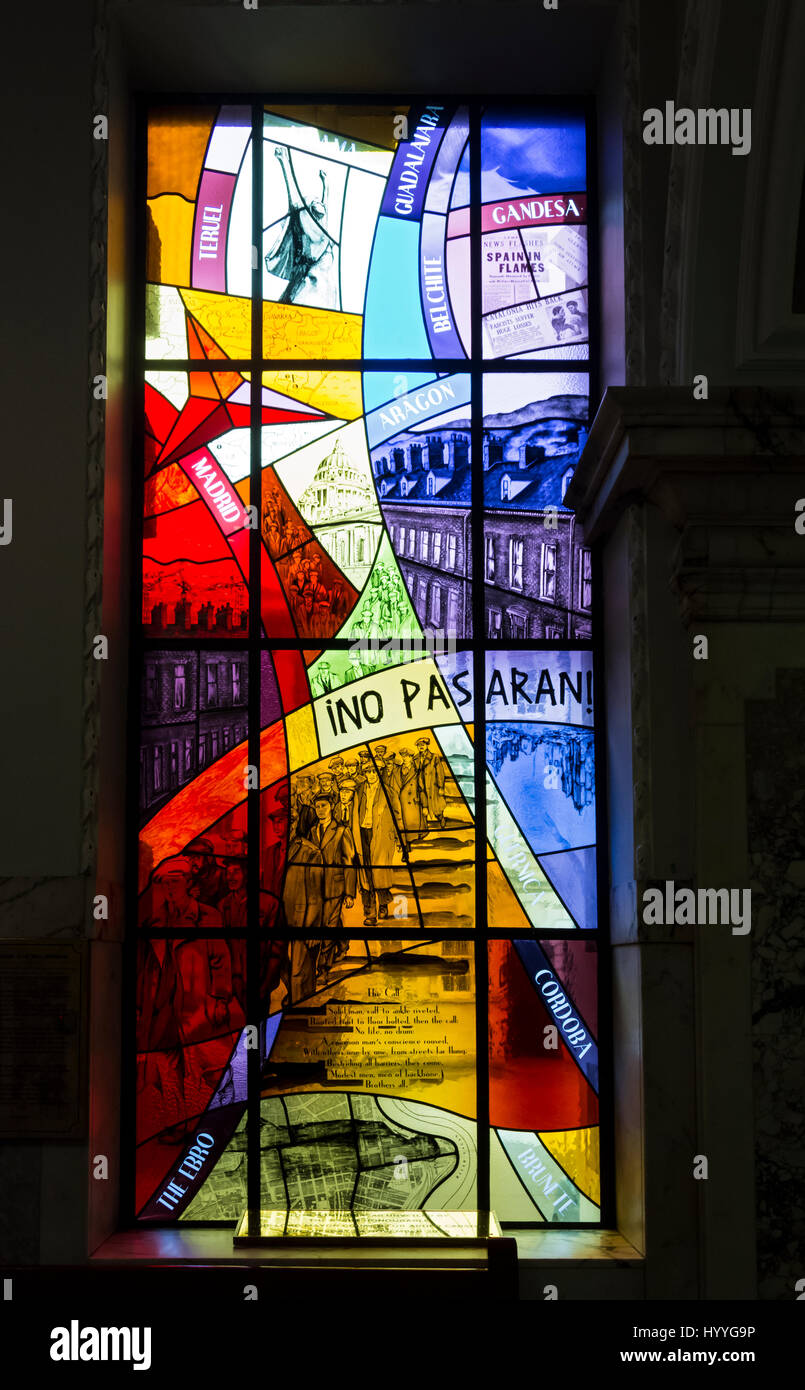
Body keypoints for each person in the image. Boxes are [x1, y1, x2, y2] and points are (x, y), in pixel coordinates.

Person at [265, 144, 338, 307]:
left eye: (318, 201)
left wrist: (326, 187)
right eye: (313, 202)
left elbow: (325, 207)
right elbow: (294, 200)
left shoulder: (322, 232)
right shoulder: (309, 232)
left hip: (323, 295)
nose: (318, 203)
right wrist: (285, 162)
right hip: (306, 292)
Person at [353, 762, 402, 924]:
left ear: (379, 772)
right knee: (365, 874)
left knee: (379, 871)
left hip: (381, 835)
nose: (372, 775)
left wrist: (399, 838)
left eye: (374, 771)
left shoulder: (389, 792)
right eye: (368, 772)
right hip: (362, 833)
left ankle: (383, 903)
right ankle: (370, 913)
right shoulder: (358, 790)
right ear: (365, 773)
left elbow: (397, 815)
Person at [414, 736, 447, 829]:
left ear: (427, 746)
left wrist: (441, 786)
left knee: (437, 807)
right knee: (423, 805)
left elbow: (440, 772)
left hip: (433, 785)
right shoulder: (415, 759)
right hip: (421, 785)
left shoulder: (434, 757)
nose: (421, 747)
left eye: (423, 745)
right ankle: (424, 826)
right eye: (419, 745)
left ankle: (441, 819)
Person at [185, 837, 227, 908]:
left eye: (197, 857)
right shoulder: (188, 878)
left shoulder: (223, 875)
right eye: (190, 857)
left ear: (208, 858)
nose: (192, 862)